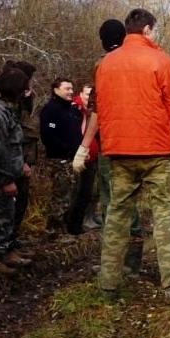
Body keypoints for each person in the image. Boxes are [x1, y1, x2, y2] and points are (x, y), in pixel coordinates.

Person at [94, 8, 170, 299]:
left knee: (116, 215)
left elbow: (102, 109)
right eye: (153, 31)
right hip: (155, 151)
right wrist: (167, 133)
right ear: (146, 30)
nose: (154, 35)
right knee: (163, 213)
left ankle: (108, 284)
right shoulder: (160, 60)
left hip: (118, 152)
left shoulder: (105, 64)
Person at [73, 19, 143, 272]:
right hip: (137, 144)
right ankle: (132, 262)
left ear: (102, 40)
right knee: (128, 200)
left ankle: (112, 264)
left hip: (110, 146)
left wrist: (84, 146)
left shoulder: (103, 65)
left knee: (110, 201)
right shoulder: (139, 62)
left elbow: (97, 109)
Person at [0, 67, 33, 274]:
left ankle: (5, 251)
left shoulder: (6, 109)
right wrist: (6, 179)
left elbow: (13, 144)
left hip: (8, 172)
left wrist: (20, 166)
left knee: (7, 213)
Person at [40, 77, 84, 237]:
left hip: (74, 159)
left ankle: (65, 227)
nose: (70, 92)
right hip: (59, 159)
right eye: (67, 89)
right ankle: (53, 231)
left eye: (71, 89)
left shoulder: (72, 110)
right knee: (60, 195)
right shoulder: (51, 110)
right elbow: (48, 134)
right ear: (56, 89)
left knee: (71, 194)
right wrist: (64, 150)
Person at [3, 60, 39, 242]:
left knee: (21, 202)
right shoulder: (10, 106)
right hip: (15, 162)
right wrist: (23, 162)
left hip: (23, 159)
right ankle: (4, 245)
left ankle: (12, 240)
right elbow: (17, 137)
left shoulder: (23, 102)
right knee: (9, 206)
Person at [70, 83, 98, 233]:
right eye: (87, 95)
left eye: (91, 96)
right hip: (76, 156)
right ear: (81, 94)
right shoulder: (75, 109)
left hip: (92, 158)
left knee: (88, 192)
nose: (89, 99)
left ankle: (83, 222)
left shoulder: (92, 111)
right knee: (75, 192)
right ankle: (72, 226)